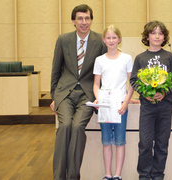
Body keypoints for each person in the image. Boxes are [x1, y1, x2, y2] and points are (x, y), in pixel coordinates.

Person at [50, 4, 107, 180]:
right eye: (80, 18)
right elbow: (56, 69)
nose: (84, 22)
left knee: (77, 127)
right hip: (65, 93)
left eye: (87, 18)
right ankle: (59, 176)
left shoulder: (100, 41)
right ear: (73, 21)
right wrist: (54, 96)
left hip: (87, 94)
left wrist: (103, 98)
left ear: (91, 20)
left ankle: (73, 176)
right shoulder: (63, 39)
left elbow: (105, 71)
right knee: (65, 126)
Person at [130, 20, 172, 180]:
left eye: (160, 33)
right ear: (147, 36)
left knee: (161, 143)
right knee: (145, 143)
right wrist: (144, 93)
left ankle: (158, 175)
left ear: (164, 37)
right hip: (147, 107)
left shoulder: (170, 56)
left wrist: (165, 93)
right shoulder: (140, 58)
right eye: (153, 33)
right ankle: (144, 176)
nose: (157, 36)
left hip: (165, 106)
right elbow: (133, 80)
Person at [93, 25, 134, 180]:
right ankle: (107, 174)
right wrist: (98, 98)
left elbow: (132, 83)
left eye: (114, 37)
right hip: (104, 105)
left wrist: (126, 102)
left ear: (119, 40)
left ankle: (117, 175)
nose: (111, 40)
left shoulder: (127, 58)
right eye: (108, 38)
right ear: (104, 40)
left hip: (120, 106)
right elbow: (96, 84)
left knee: (120, 141)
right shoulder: (99, 60)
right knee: (106, 141)